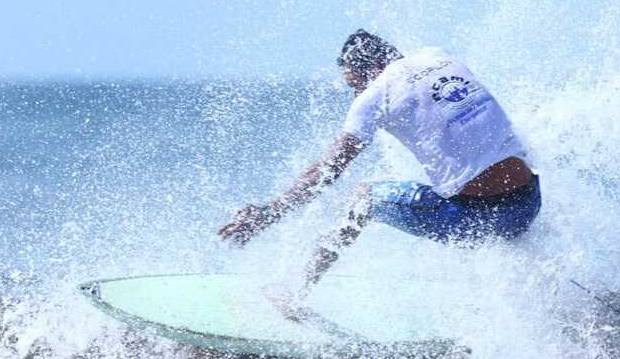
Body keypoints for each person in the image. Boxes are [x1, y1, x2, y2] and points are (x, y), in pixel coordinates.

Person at [218, 30, 541, 298]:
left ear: (373, 66)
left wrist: (269, 214)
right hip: (528, 205)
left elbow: (328, 170)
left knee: (365, 198)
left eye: (354, 84)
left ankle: (294, 292)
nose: (355, 93)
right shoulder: (438, 56)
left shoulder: (375, 95)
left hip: (477, 222)